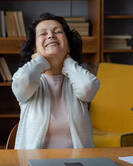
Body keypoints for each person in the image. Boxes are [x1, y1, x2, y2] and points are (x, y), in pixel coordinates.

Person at [11, 12, 100, 149]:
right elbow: (24, 80)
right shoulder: (31, 83)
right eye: (43, 33)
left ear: (69, 45)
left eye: (57, 32)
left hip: (78, 165)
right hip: (34, 164)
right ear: (34, 48)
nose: (51, 35)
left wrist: (69, 63)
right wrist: (40, 60)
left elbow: (88, 87)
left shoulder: (75, 80)